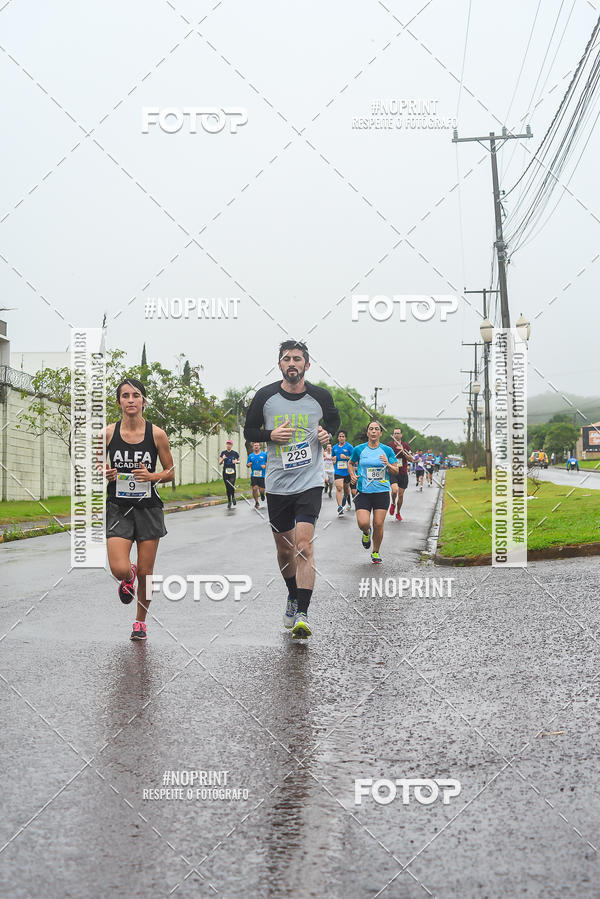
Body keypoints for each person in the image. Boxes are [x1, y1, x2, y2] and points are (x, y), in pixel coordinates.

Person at [244, 339, 340, 638]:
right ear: (280, 365)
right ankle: (292, 594)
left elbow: (334, 423)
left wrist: (328, 435)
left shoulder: (321, 397)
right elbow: (249, 431)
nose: (292, 363)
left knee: (303, 545)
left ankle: (303, 612)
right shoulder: (265, 397)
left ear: (307, 365)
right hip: (276, 483)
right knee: (284, 550)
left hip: (309, 481)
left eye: (297, 359)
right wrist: (271, 434)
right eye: (286, 359)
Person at [103, 378, 174, 641]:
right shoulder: (108, 433)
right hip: (118, 507)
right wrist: (106, 472)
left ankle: (140, 622)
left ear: (143, 400)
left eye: (136, 395)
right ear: (119, 401)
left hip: (148, 508)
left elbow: (170, 471)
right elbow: (96, 464)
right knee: (119, 568)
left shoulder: (156, 434)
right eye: (125, 396)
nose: (131, 400)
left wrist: (152, 476)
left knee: (147, 572)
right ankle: (127, 575)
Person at [348, 421, 398, 564]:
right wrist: (352, 474)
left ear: (380, 433)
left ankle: (375, 552)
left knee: (378, 523)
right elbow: (351, 463)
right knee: (363, 523)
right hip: (363, 491)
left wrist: (387, 464)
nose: (374, 431)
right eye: (371, 429)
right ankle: (366, 532)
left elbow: (396, 470)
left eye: (377, 429)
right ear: (367, 433)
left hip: (381, 492)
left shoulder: (387, 450)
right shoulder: (359, 449)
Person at [387, 426, 414, 521]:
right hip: (393, 471)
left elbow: (411, 459)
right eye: (395, 433)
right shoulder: (389, 445)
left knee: (401, 495)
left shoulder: (406, 446)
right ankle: (393, 503)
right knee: (394, 491)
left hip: (403, 472)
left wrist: (403, 452)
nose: (396, 435)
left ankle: (398, 512)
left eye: (398, 433)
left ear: (401, 435)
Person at [332, 430, 355, 516]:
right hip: (338, 471)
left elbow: (354, 459)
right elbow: (333, 457)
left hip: (347, 472)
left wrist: (346, 457)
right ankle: (340, 506)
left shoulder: (349, 447)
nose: (341, 438)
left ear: (345, 438)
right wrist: (333, 459)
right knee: (339, 487)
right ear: (338, 438)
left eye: (343, 436)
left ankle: (345, 498)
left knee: (346, 490)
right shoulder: (334, 447)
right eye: (340, 436)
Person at [219, 439, 240, 508]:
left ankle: (233, 496)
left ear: (231, 445)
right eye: (227, 444)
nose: (228, 445)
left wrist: (236, 462)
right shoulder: (223, 453)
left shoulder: (235, 453)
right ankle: (229, 501)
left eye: (230, 444)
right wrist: (223, 458)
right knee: (227, 487)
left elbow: (239, 461)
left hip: (232, 472)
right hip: (225, 472)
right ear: (226, 445)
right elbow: (219, 463)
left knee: (231, 485)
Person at [247, 441, 267, 509]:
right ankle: (256, 502)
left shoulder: (264, 454)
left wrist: (265, 466)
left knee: (261, 490)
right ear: (253, 447)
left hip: (262, 475)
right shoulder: (251, 455)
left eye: (257, 445)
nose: (256, 446)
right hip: (254, 475)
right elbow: (247, 464)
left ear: (259, 446)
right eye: (255, 445)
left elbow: (269, 463)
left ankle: (262, 494)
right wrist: (248, 465)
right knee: (254, 488)